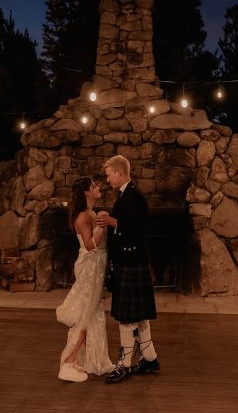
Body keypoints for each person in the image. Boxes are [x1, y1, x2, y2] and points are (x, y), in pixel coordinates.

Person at [96, 155, 159, 383]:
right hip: (129, 261)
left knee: (126, 318)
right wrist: (111, 218)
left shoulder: (135, 197)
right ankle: (150, 358)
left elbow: (136, 230)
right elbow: (126, 222)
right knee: (139, 316)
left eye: (109, 174)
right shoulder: (125, 195)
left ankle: (123, 364)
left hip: (133, 262)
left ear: (120, 172)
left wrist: (113, 222)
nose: (107, 178)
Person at [56, 177, 115, 382]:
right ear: (87, 192)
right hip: (89, 267)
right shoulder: (83, 216)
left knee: (93, 314)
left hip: (96, 267)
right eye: (94, 186)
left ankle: (94, 360)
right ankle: (68, 363)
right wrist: (103, 225)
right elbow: (90, 246)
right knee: (86, 314)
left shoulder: (91, 212)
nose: (98, 188)